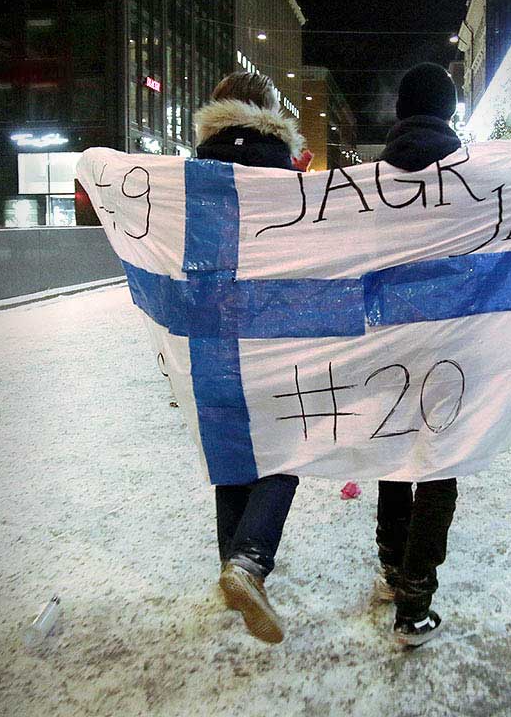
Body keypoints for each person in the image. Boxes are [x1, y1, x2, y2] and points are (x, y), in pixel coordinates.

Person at [192, 71, 307, 644]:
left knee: (231, 444)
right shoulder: (285, 175)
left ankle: (232, 565)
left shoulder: (191, 174)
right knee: (288, 441)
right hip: (272, 327)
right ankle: (248, 561)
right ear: (270, 112)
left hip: (209, 331)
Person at [372, 63, 463, 647]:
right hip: (453, 340)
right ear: (449, 111)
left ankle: (390, 565)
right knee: (439, 459)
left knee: (393, 448)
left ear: (401, 110)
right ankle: (415, 597)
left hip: (386, 337)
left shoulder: (370, 183)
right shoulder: (471, 176)